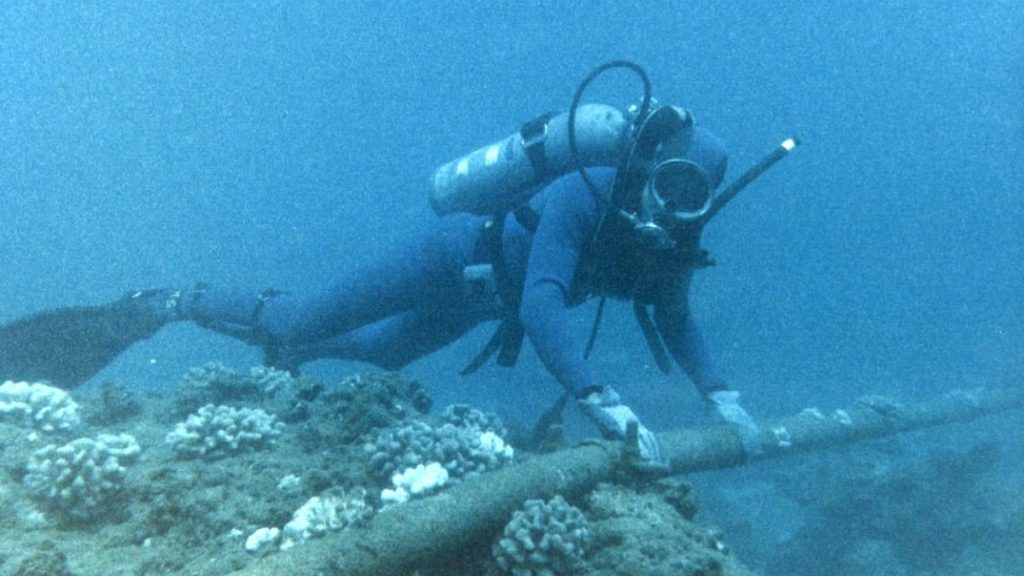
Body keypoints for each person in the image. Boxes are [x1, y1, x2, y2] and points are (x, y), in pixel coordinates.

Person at [2, 63, 779, 464]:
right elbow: (545, 302)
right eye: (671, 186)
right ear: (646, 170)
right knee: (308, 312)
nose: (677, 208)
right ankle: (171, 301)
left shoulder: (671, 239)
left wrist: (726, 398)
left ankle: (286, 354)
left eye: (695, 196)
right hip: (453, 258)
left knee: (384, 353)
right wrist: (600, 397)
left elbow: (676, 319)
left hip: (482, 303)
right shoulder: (589, 191)